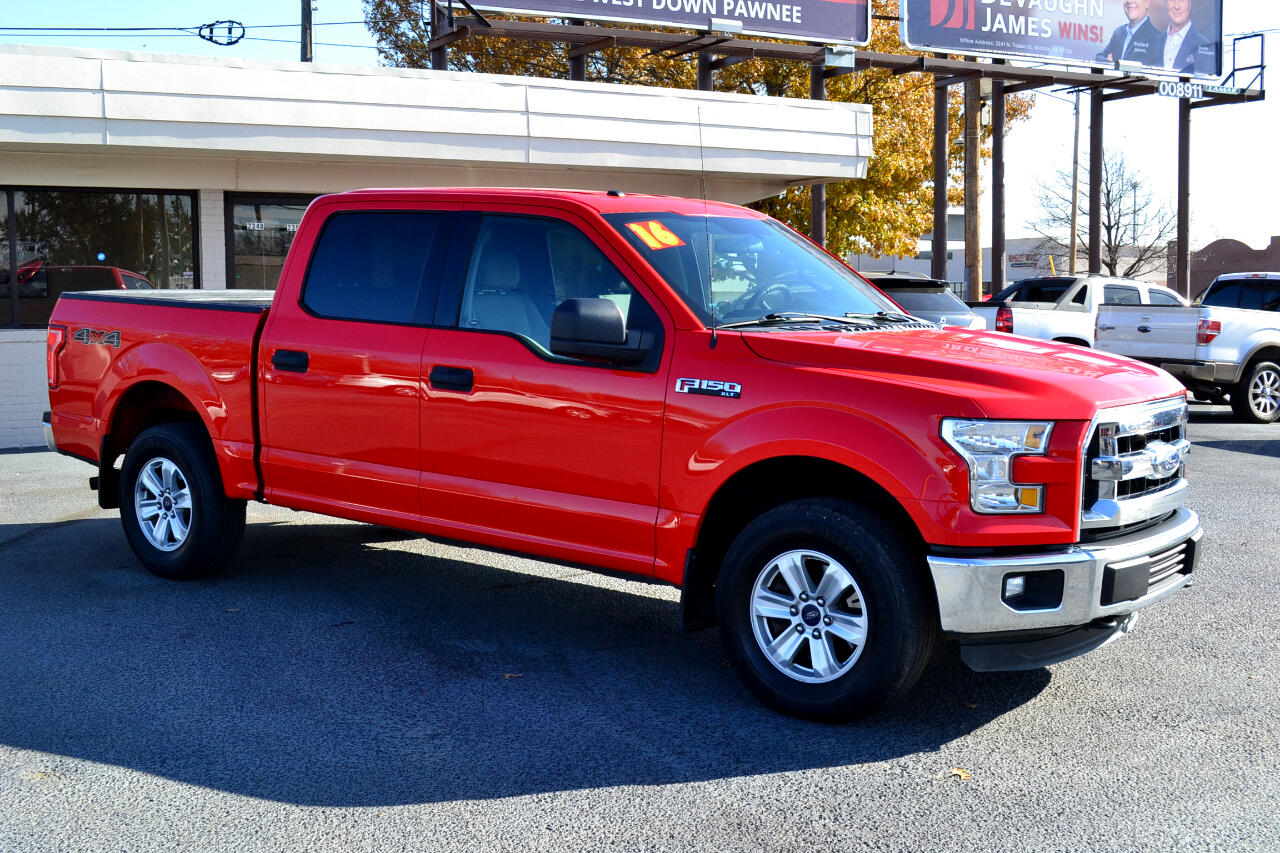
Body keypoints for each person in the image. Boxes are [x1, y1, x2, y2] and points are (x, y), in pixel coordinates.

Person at [1096, 0, 1162, 66]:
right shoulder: (1119, 32)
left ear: (1147, 2)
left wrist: (1115, 65)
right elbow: (1099, 58)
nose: (1130, 1)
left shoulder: (1157, 39)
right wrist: (1109, 63)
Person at [1161, 0, 1217, 75]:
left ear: (1189, 4)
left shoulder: (1206, 47)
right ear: (1166, 4)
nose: (1177, 6)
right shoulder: (1155, 41)